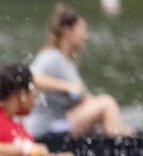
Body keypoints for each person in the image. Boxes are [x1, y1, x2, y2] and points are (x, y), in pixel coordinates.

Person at [25, 3, 134, 138]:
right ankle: (120, 141)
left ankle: (120, 134)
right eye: (82, 30)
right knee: (107, 102)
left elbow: (87, 100)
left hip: (62, 123)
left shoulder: (67, 64)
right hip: (45, 129)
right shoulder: (51, 56)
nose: (85, 36)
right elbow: (31, 79)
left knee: (104, 105)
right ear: (67, 30)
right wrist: (68, 87)